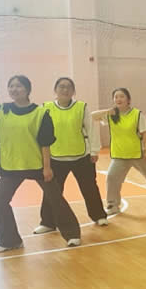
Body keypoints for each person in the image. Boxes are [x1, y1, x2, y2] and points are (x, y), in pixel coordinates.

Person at [0, 75, 81, 252]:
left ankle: (72, 234)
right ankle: (10, 241)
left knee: (55, 198)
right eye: (11, 86)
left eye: (18, 86)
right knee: (0, 200)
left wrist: (47, 167)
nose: (14, 89)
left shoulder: (40, 113)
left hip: (36, 165)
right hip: (11, 166)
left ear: (27, 90)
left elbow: (45, 143)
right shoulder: (2, 111)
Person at [36, 77, 108, 235]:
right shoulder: (46, 108)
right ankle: (48, 222)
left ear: (73, 91)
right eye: (61, 86)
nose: (65, 89)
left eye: (69, 87)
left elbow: (91, 129)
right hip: (55, 158)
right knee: (52, 192)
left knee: (90, 188)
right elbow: (40, 133)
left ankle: (99, 216)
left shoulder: (81, 107)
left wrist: (94, 151)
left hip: (81, 157)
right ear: (55, 90)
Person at [92, 88, 146, 214]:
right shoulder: (111, 115)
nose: (118, 99)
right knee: (112, 178)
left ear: (128, 100)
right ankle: (113, 205)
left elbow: (145, 133)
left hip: (138, 154)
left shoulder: (137, 114)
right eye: (116, 97)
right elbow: (92, 116)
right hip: (119, 155)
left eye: (122, 96)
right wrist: (108, 111)